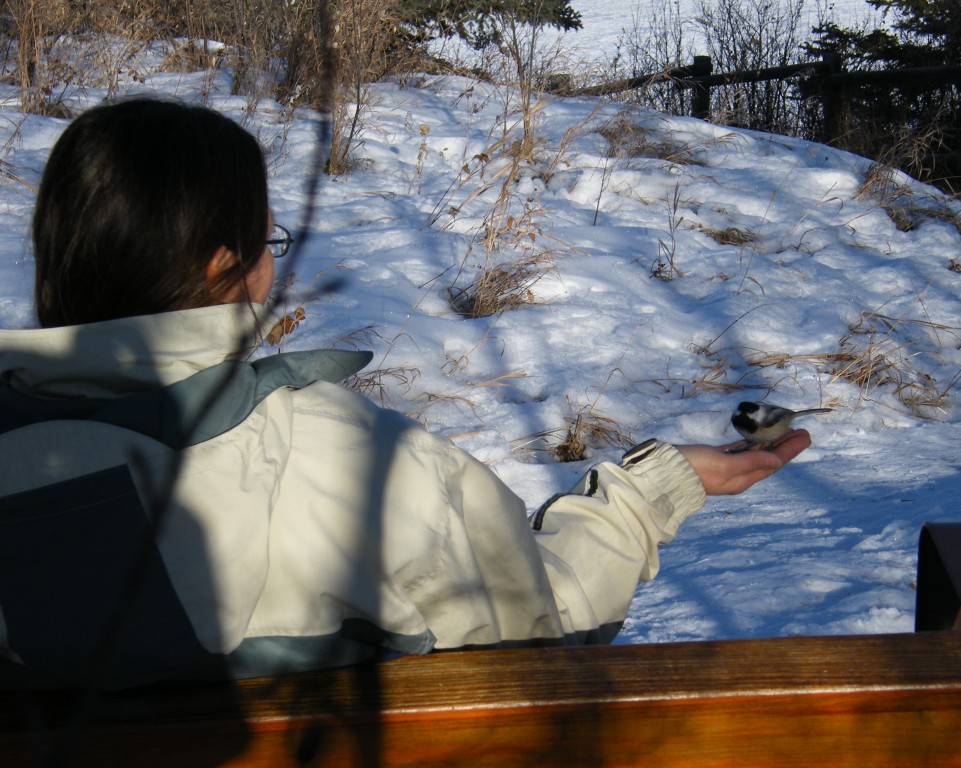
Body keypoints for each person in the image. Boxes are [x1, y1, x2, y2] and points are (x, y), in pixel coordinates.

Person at [0, 98, 809, 690]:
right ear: (222, 268)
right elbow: (541, 626)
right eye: (265, 244)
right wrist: (650, 492)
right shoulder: (350, 466)